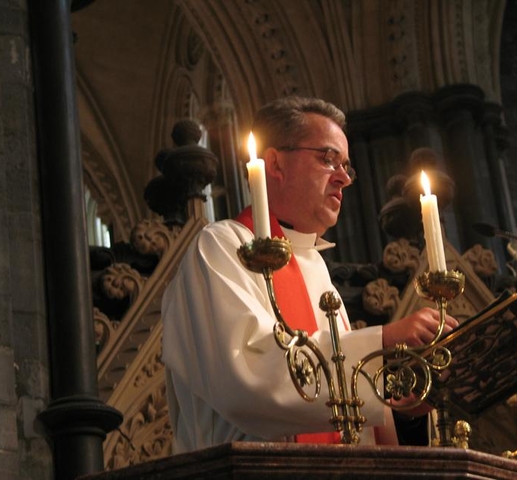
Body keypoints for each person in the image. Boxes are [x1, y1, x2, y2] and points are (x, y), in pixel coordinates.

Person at [161, 95, 458, 452]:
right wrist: (383, 340)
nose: (344, 179)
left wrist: (408, 408)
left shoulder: (316, 267)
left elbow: (351, 416)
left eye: (348, 166)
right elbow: (248, 373)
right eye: (329, 158)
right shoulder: (222, 247)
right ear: (274, 163)